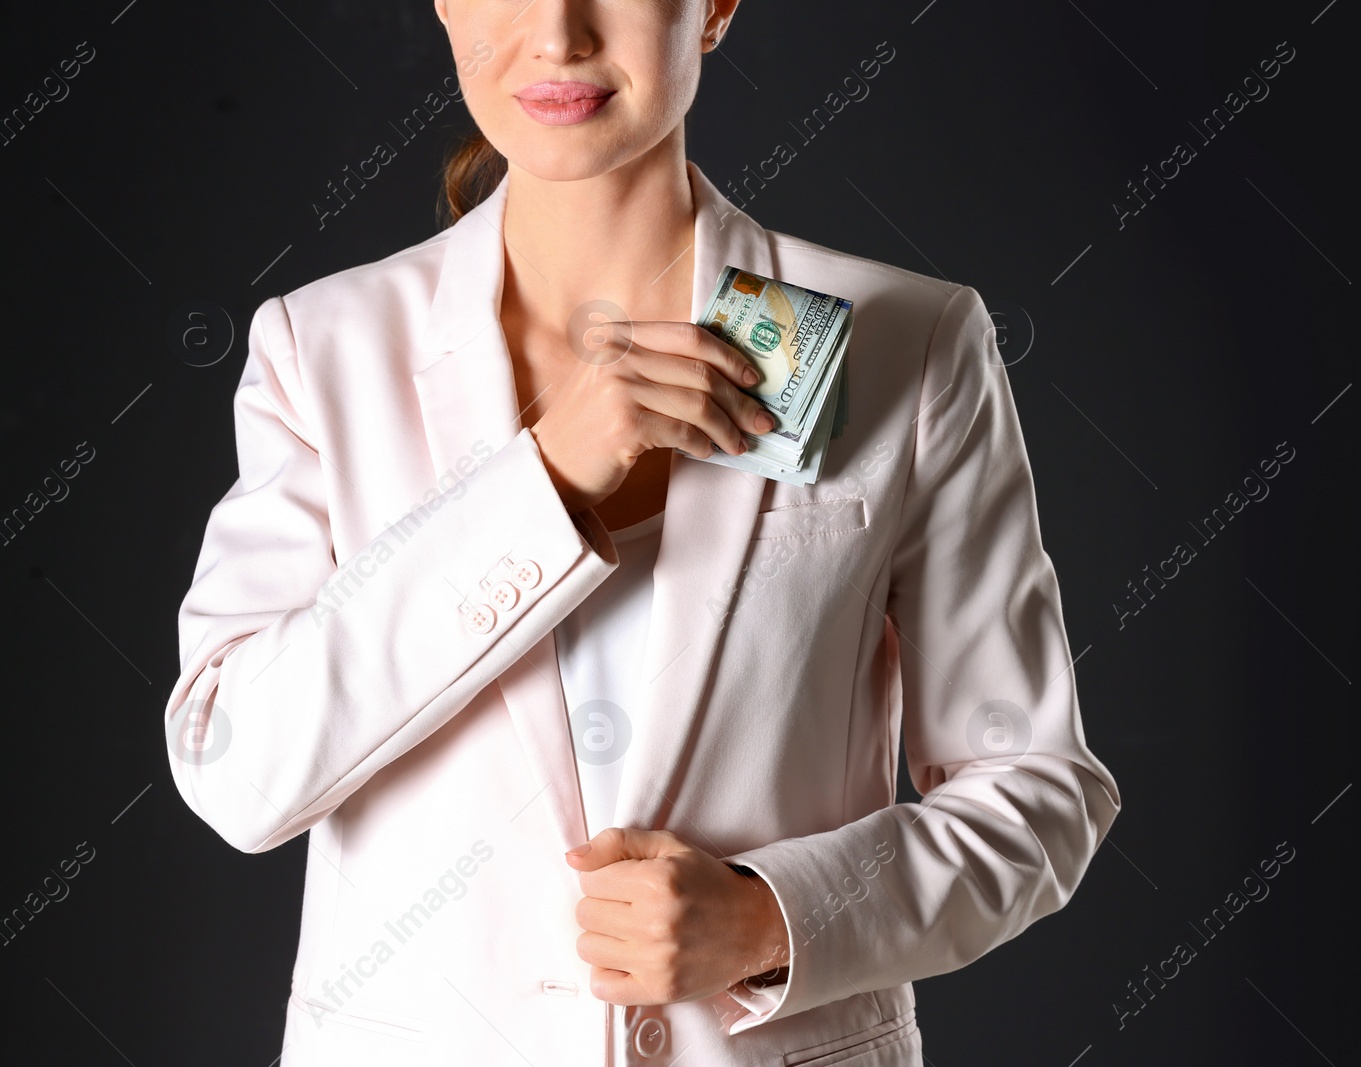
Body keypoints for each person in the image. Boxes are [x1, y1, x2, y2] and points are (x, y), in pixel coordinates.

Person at [162, 1, 1122, 1063]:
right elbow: (237, 770)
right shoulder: (323, 350)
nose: (560, 33)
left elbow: (1036, 790)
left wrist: (773, 916)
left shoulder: (908, 340)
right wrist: (545, 479)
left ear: (710, 8)